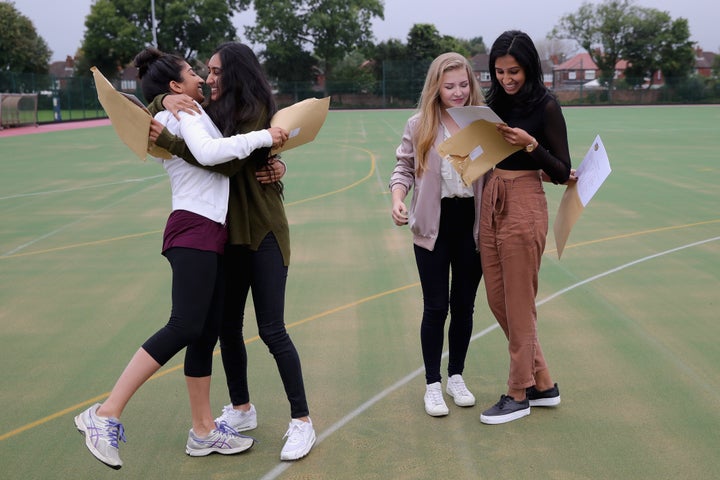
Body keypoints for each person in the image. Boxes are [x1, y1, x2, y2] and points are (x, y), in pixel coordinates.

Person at [73, 47, 288, 469]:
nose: (202, 79)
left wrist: (274, 161)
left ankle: (203, 431)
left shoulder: (187, 109)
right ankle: (104, 413)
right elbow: (211, 156)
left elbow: (222, 159)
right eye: (193, 73)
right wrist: (267, 136)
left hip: (209, 229)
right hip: (194, 226)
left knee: (204, 332)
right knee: (185, 324)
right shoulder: (184, 111)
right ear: (176, 86)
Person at [152, 42, 316, 461]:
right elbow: (155, 101)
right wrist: (162, 98)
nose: (208, 78)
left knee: (272, 329)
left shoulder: (257, 111)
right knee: (227, 328)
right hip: (225, 235)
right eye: (204, 70)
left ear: (238, 73)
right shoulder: (208, 112)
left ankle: (302, 422)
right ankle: (241, 409)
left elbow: (221, 164)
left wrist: (171, 141)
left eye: (216, 71)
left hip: (261, 232)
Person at [478, 30, 571, 425]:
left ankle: (519, 392)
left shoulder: (547, 106)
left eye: (513, 71)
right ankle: (544, 383)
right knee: (499, 301)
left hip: (525, 201)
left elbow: (564, 171)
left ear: (529, 67)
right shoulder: (494, 103)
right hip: (492, 197)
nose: (505, 79)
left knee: (519, 303)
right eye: (498, 72)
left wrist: (531, 144)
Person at [389, 52, 486, 417]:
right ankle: (432, 384)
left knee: (464, 306)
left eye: (463, 84)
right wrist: (398, 199)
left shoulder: (482, 124)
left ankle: (455, 376)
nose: (458, 92)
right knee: (436, 307)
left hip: (471, 225)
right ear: (436, 87)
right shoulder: (420, 125)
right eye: (450, 86)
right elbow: (403, 167)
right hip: (433, 225)